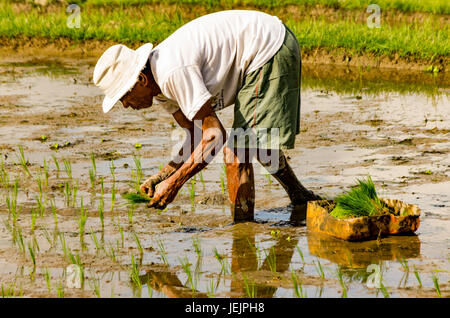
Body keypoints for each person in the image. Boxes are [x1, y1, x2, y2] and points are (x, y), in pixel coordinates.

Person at [93, 10, 320, 223]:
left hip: (269, 48)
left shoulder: (171, 72)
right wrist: (161, 177)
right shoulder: (159, 89)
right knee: (253, 138)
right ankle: (300, 197)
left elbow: (214, 136)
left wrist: (174, 184)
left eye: (124, 96)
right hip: (259, 53)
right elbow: (195, 134)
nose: (124, 105)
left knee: (237, 152)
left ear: (141, 80)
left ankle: (241, 237)